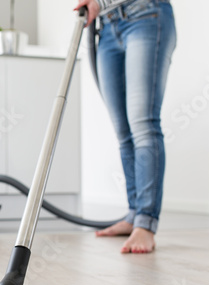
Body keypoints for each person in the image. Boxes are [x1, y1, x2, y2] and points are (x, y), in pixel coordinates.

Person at [74, 0, 177, 253]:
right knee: (123, 132)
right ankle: (134, 214)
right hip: (107, 27)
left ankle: (146, 222)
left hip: (146, 13)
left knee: (143, 124)